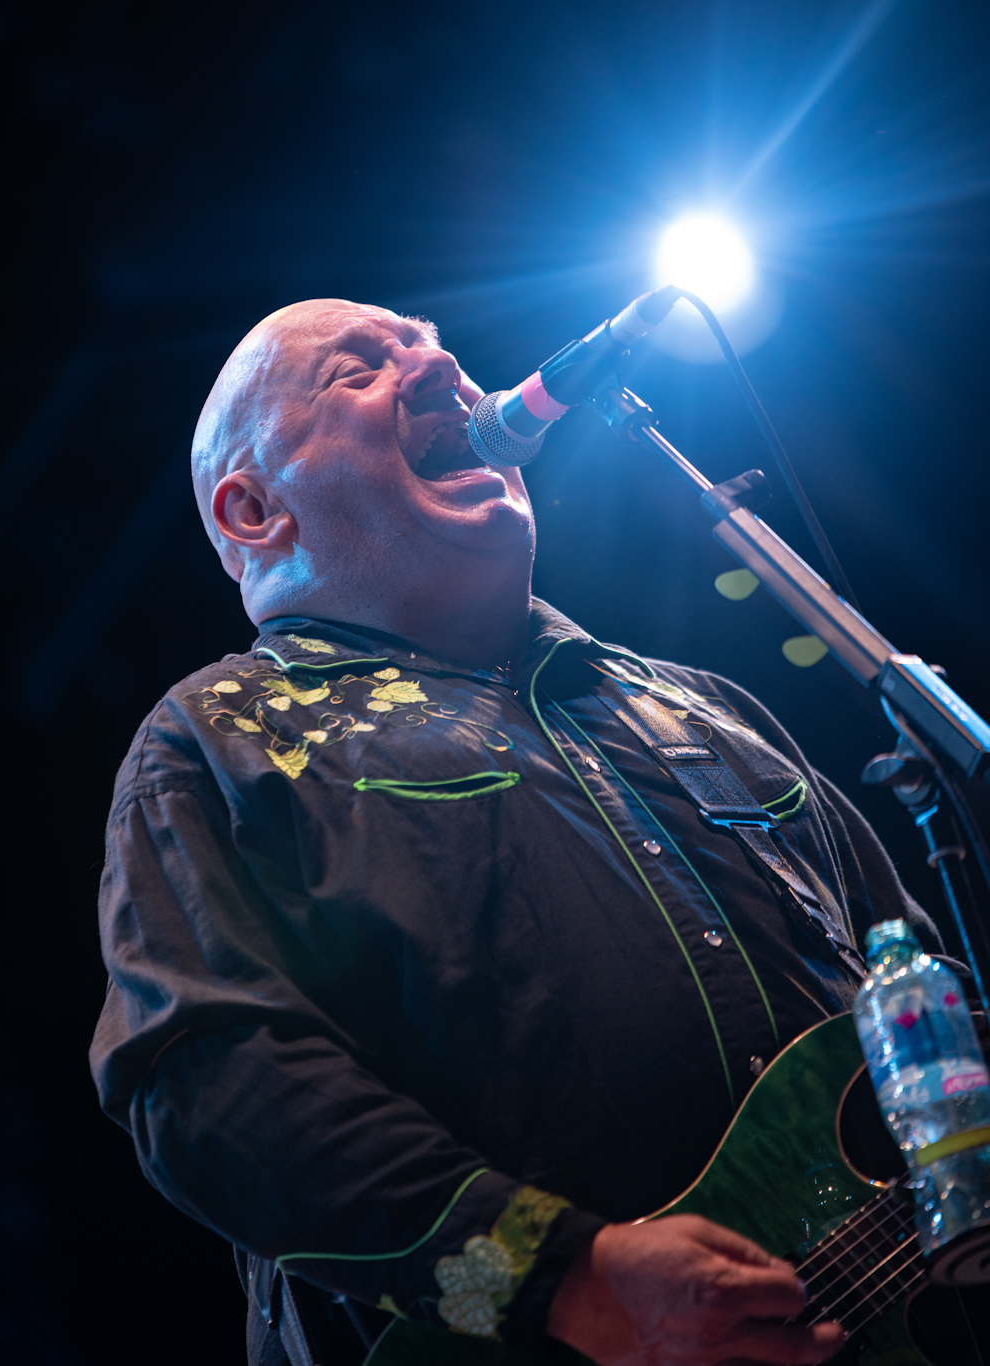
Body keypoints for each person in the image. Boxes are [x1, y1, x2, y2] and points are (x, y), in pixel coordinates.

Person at [91, 299, 941, 1366]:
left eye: (432, 344)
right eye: (359, 368)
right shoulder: (222, 738)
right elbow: (206, 1078)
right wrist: (563, 1277)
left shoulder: (702, 706)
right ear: (255, 510)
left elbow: (921, 995)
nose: (440, 365)